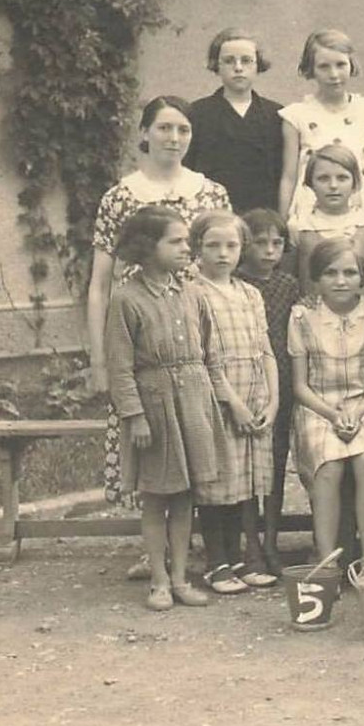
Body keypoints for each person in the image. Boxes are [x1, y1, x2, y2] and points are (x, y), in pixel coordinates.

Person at [88, 96, 233, 520]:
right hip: (143, 338)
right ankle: (150, 547)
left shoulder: (211, 192)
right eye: (165, 128)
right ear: (145, 134)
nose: (174, 138)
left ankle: (196, 543)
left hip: (194, 337)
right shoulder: (120, 197)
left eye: (183, 129)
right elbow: (99, 283)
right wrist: (99, 359)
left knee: (197, 436)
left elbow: (224, 267)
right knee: (148, 440)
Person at [104, 207, 225, 611]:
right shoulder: (126, 298)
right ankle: (158, 580)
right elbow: (120, 367)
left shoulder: (192, 293)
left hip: (192, 401)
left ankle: (180, 578)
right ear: (146, 246)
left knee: (186, 494)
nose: (184, 249)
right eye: (174, 241)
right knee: (157, 495)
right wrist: (134, 415)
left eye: (186, 241)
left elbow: (210, 351)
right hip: (155, 407)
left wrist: (212, 401)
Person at [187, 211, 278, 594]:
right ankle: (217, 561)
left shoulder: (249, 293)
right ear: (197, 248)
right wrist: (234, 404)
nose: (223, 254)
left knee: (247, 482)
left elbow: (266, 351)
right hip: (219, 401)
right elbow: (205, 359)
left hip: (255, 395)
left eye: (232, 246)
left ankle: (245, 558)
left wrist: (272, 400)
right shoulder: (193, 292)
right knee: (217, 482)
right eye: (213, 246)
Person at [289, 238, 364, 565]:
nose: (341, 281)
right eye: (331, 273)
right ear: (316, 278)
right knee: (329, 466)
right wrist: (333, 415)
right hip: (318, 406)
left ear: (363, 277)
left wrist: (357, 412)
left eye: (350, 272)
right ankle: (327, 559)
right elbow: (300, 386)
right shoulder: (302, 317)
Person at [236, 208, 300, 574]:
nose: (269, 251)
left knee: (275, 464)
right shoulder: (237, 284)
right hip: (245, 379)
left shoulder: (288, 285)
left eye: (277, 243)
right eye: (260, 243)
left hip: (283, 383)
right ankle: (249, 545)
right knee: (246, 466)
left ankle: (272, 542)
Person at [279, 29, 364, 223]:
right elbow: (288, 176)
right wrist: (282, 223)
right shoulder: (296, 115)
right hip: (311, 213)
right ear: (311, 69)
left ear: (351, 64)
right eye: (324, 67)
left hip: (362, 210)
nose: (334, 74)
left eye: (340, 65)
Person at [184, 28, 284, 215]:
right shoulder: (197, 113)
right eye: (229, 61)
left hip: (262, 217)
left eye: (246, 61)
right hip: (213, 216)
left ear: (258, 65)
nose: (238, 68)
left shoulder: (276, 115)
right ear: (217, 65)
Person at [289, 144, 364, 288]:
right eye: (323, 178)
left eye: (342, 178)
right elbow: (290, 280)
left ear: (355, 182)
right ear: (310, 183)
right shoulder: (299, 225)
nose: (333, 185)